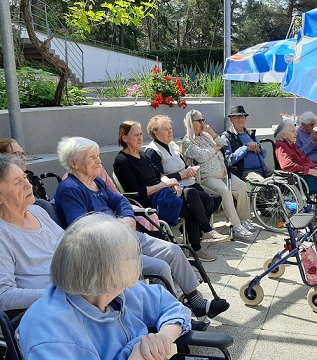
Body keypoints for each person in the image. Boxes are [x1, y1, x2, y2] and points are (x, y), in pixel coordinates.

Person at [18, 214, 263, 360]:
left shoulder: (113, 291)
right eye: (132, 257)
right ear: (107, 272)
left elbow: (172, 307)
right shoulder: (52, 333)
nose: (139, 262)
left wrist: (163, 337)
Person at [54, 136, 229, 319]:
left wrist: (128, 219)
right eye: (92, 157)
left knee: (174, 250)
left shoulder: (96, 182)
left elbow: (121, 200)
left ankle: (197, 302)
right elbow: (81, 228)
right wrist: (117, 226)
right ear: (74, 163)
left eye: (97, 155)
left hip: (125, 235)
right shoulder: (71, 189)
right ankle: (174, 316)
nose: (99, 161)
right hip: (105, 251)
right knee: (160, 268)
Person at [113, 121, 228, 262]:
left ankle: (199, 241)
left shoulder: (142, 155)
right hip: (150, 201)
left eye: (141, 134)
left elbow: (159, 175)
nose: (140, 138)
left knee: (199, 198)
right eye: (136, 135)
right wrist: (163, 185)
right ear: (124, 138)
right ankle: (202, 237)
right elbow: (137, 192)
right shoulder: (121, 161)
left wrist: (171, 183)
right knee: (193, 202)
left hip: (164, 194)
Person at [0, 155, 64, 312]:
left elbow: (69, 249)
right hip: (49, 308)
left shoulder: (37, 211)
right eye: (17, 183)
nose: (28, 185)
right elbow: (3, 295)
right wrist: (59, 294)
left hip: (75, 289)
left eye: (24, 177)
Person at [182, 110, 254, 240]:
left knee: (242, 186)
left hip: (223, 174)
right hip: (206, 177)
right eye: (199, 121)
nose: (202, 123)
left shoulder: (206, 136)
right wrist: (215, 148)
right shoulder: (188, 141)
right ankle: (236, 225)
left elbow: (224, 144)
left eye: (203, 120)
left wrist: (211, 132)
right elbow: (202, 156)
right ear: (191, 123)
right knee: (225, 191)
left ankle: (244, 219)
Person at [144, 115, 221, 232]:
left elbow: (183, 166)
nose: (170, 131)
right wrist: (182, 175)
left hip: (188, 182)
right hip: (175, 188)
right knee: (205, 201)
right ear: (155, 132)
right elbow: (158, 178)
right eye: (166, 129)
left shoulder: (173, 145)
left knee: (216, 197)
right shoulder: (152, 151)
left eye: (170, 128)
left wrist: (190, 170)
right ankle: (202, 232)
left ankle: (191, 230)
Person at [274, 118, 317, 215]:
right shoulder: (281, 146)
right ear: (284, 135)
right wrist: (310, 171)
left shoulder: (291, 144)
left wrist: (314, 168)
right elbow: (286, 166)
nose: (296, 134)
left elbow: (304, 158)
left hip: (309, 172)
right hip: (301, 178)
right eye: (293, 131)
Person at [221, 105, 273, 181]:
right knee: (264, 184)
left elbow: (264, 154)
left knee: (282, 180)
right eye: (237, 117)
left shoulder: (250, 133)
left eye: (242, 117)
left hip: (263, 168)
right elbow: (228, 160)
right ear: (231, 119)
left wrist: (258, 146)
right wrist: (246, 148)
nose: (240, 119)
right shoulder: (227, 137)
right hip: (246, 171)